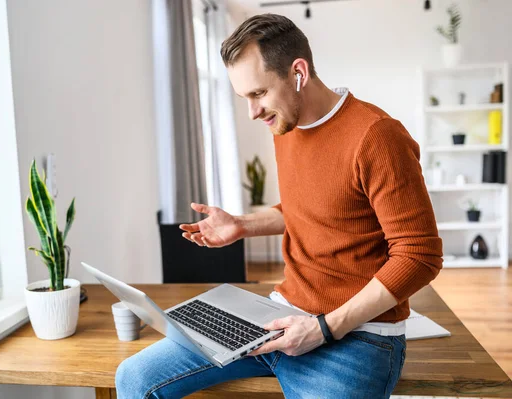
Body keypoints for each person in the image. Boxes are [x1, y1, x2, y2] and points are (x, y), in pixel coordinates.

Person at [115, 13, 442, 398]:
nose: (253, 112)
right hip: (276, 316)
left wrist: (323, 328)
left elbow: (420, 255)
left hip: (357, 337)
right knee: (133, 378)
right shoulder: (285, 123)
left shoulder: (377, 137)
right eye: (244, 98)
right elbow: (312, 209)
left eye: (258, 94)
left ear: (298, 73)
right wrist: (241, 224)